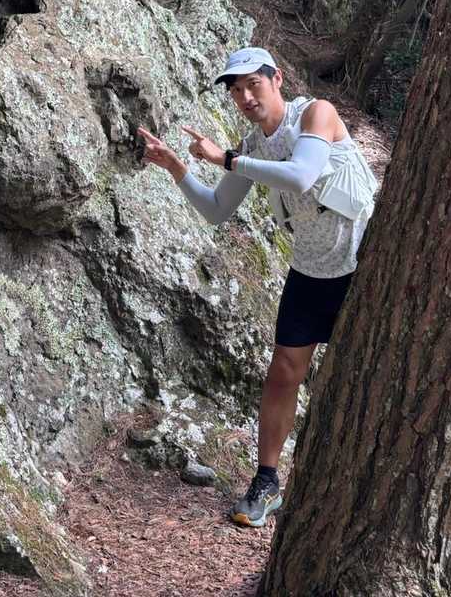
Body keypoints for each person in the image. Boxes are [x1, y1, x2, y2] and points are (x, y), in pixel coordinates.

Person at [137, 46, 378, 528]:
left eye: (254, 84)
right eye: (236, 90)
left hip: (363, 266)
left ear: (277, 80)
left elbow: (302, 174)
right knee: (283, 372)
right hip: (310, 271)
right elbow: (216, 210)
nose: (246, 96)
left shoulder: (317, 114)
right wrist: (177, 168)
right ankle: (267, 482)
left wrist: (226, 159)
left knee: (366, 378)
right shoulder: (251, 146)